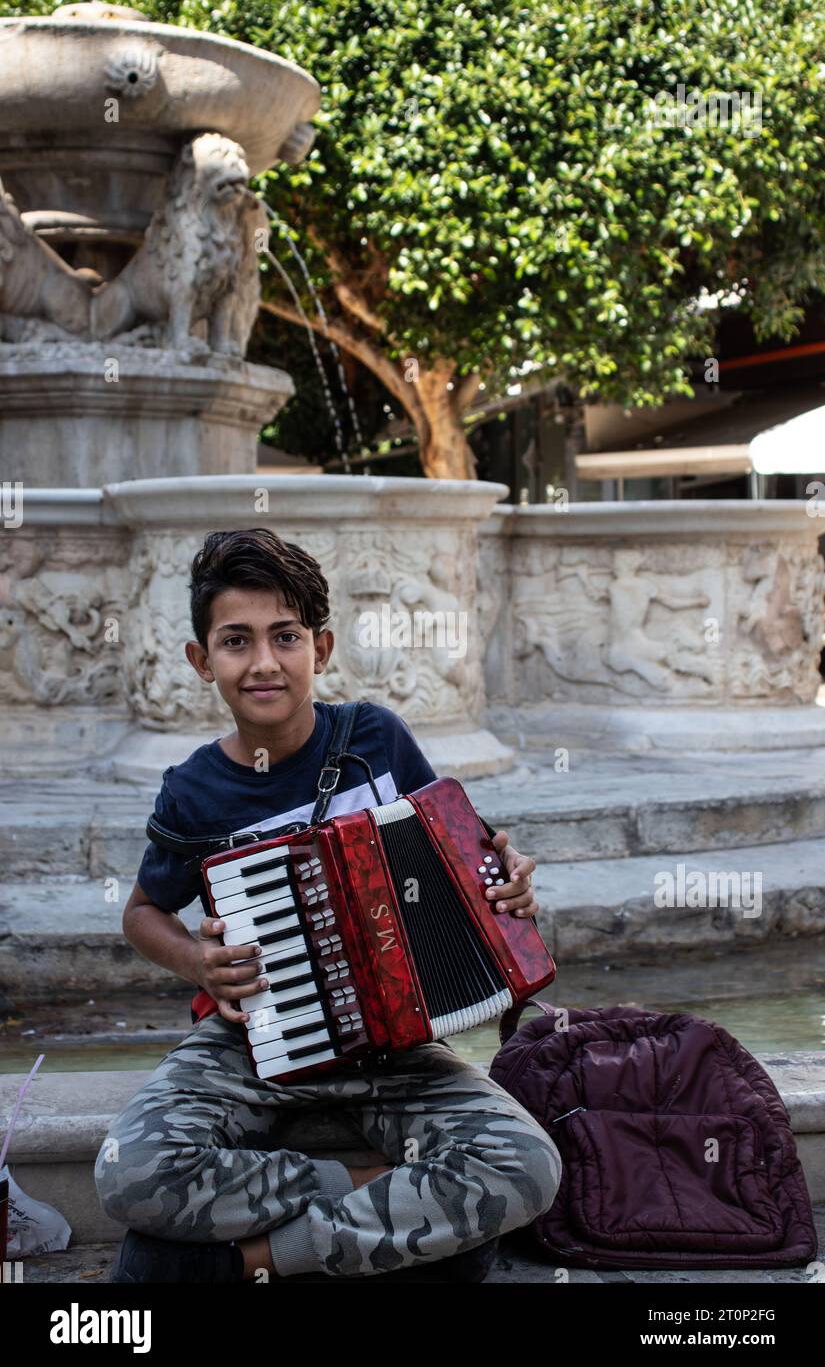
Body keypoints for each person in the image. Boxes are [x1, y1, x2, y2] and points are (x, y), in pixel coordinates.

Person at [95, 528, 561, 1283]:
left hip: (396, 1044)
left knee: (529, 1164)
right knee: (129, 1171)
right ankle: (385, 1204)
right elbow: (143, 911)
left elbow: (454, 851)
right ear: (200, 660)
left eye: (285, 637)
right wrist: (198, 961)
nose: (264, 663)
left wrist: (504, 882)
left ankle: (255, 1260)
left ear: (322, 647)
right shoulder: (193, 788)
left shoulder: (375, 737)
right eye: (236, 642)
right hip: (249, 1045)